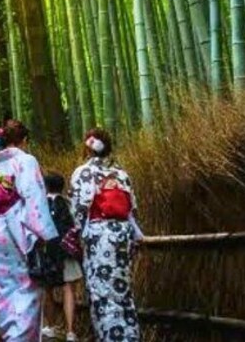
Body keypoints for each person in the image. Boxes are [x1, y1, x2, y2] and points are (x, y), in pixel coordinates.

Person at [0, 120, 58, 341]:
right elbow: (34, 198)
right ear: (24, 140)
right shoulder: (25, 161)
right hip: (17, 232)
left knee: (2, 290)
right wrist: (44, 235)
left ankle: (8, 333)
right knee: (26, 290)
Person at [70, 128, 143, 342]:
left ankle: (111, 337)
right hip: (123, 234)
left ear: (87, 148)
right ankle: (130, 336)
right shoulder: (122, 174)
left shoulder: (83, 173)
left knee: (102, 291)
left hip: (99, 236)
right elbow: (133, 208)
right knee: (123, 290)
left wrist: (78, 237)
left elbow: (79, 208)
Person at [41, 172, 81, 342]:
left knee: (47, 290)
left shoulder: (40, 204)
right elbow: (77, 225)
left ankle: (50, 326)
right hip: (66, 252)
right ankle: (70, 331)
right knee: (68, 289)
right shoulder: (68, 203)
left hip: (46, 251)